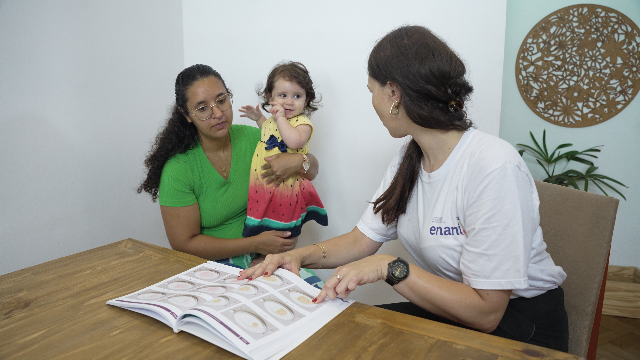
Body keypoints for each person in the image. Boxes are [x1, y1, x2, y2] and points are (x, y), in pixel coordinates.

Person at [238, 26, 569, 352]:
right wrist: (295, 256)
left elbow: (486, 312)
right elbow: (360, 241)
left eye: (372, 90)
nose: (372, 102)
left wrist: (388, 267)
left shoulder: (493, 165)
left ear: (393, 93)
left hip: (522, 329)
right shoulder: (409, 159)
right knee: (339, 334)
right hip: (453, 311)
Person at [137, 64, 323, 288]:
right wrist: (256, 244)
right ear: (186, 115)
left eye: (222, 100)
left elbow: (311, 170)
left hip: (265, 259)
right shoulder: (179, 169)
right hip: (211, 270)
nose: (217, 113)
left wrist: (299, 161)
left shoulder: (254, 138)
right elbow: (184, 243)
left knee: (318, 295)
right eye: (203, 108)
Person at [239, 62, 328, 252]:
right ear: (270, 96)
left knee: (284, 227)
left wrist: (279, 118)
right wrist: (258, 118)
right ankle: (261, 257)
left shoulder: (302, 123)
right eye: (283, 95)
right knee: (263, 223)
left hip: (286, 186)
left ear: (306, 99)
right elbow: (268, 131)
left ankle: (282, 259)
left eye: (297, 96)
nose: (289, 102)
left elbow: (294, 141)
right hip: (264, 184)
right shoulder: (273, 121)